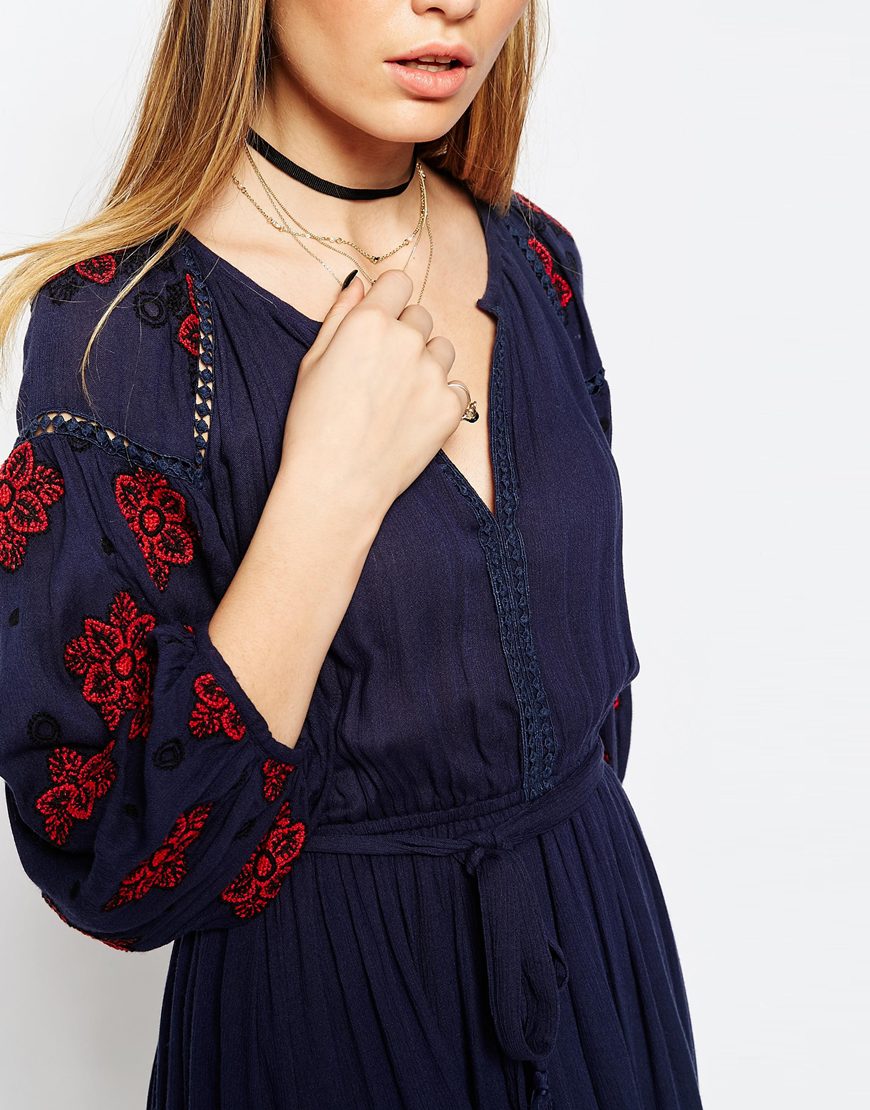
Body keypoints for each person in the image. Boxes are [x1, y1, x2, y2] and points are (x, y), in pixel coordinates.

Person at [0, 2, 704, 1107]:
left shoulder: (535, 259)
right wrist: (327, 491)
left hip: (600, 967)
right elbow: (114, 862)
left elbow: (584, 708)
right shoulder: (125, 331)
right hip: (323, 1016)